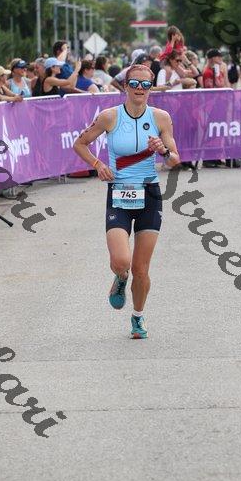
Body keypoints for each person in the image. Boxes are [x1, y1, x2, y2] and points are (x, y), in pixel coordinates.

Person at [73, 63, 180, 339]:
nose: (140, 89)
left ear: (151, 88)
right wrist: (98, 164)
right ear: (125, 86)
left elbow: (175, 160)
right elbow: (80, 143)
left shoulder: (161, 118)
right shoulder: (109, 117)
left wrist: (163, 150)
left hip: (149, 194)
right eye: (134, 84)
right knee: (122, 261)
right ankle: (120, 278)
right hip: (119, 192)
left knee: (141, 269)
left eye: (146, 85)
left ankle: (138, 317)